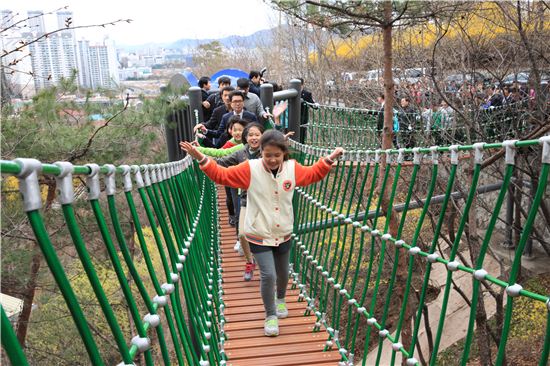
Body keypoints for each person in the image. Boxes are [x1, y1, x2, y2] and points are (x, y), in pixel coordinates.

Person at [180, 132, 344, 337]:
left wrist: (329, 159)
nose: (272, 159)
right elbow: (222, 175)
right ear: (261, 153)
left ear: (284, 153)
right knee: (269, 274)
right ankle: (270, 315)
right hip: (258, 231)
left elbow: (312, 174)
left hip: (283, 230)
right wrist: (202, 158)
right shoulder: (250, 169)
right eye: (267, 155)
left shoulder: (292, 169)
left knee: (283, 273)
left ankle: (281, 299)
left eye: (277, 155)